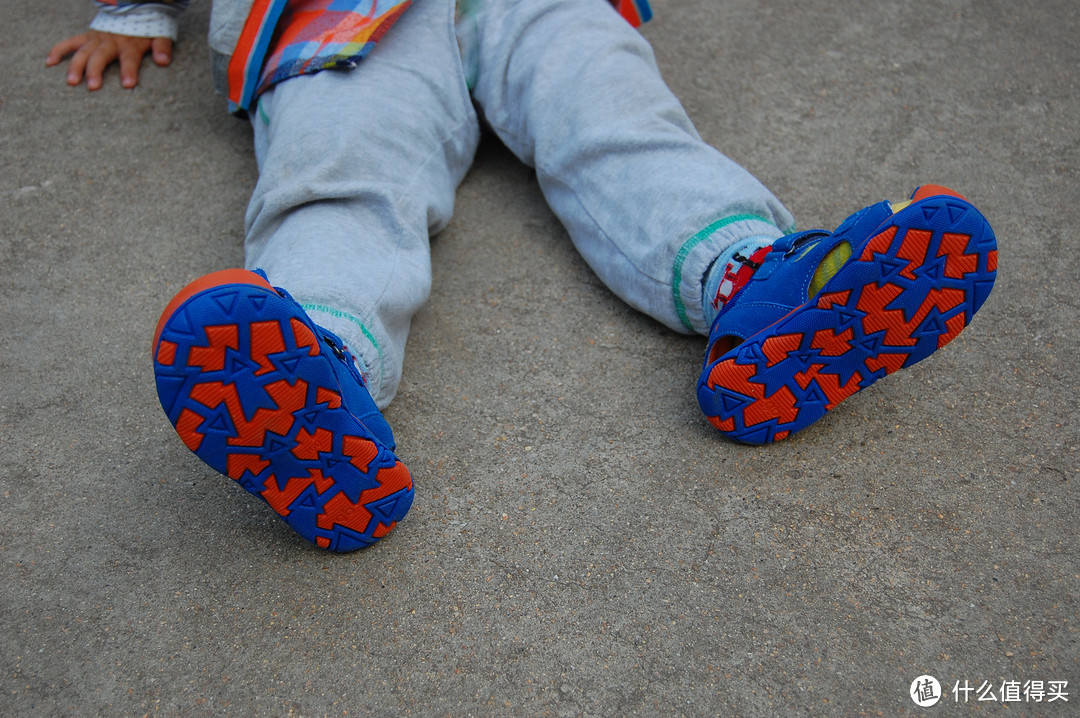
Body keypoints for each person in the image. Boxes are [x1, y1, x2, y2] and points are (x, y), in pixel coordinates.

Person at [48, 0, 998, 551]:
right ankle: (313, 362)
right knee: (344, 170)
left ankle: (763, 287)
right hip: (339, 19)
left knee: (616, 122)